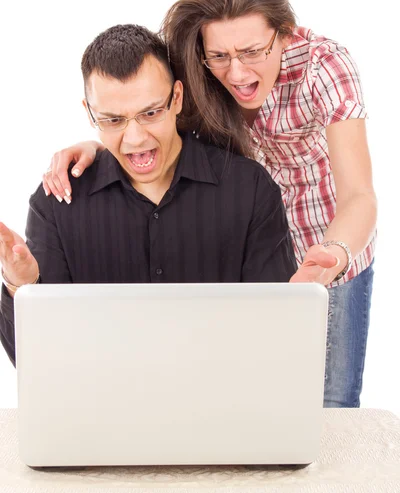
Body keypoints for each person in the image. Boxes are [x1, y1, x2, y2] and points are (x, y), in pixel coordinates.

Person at [42, 0, 377, 409]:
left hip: (329, 250)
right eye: (220, 56)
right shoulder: (199, 69)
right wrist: (105, 145)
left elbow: (359, 194)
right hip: (250, 253)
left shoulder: (323, 67)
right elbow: (152, 111)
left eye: (254, 51)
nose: (236, 74)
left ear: (286, 34)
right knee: (255, 405)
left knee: (332, 405)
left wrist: (334, 254)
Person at [0, 23, 299, 367]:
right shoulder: (58, 202)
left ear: (177, 98)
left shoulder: (249, 190)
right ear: (89, 113)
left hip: (220, 410)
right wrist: (21, 287)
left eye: (150, 113)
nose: (135, 139)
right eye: (113, 120)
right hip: (103, 414)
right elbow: (34, 362)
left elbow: (278, 337)